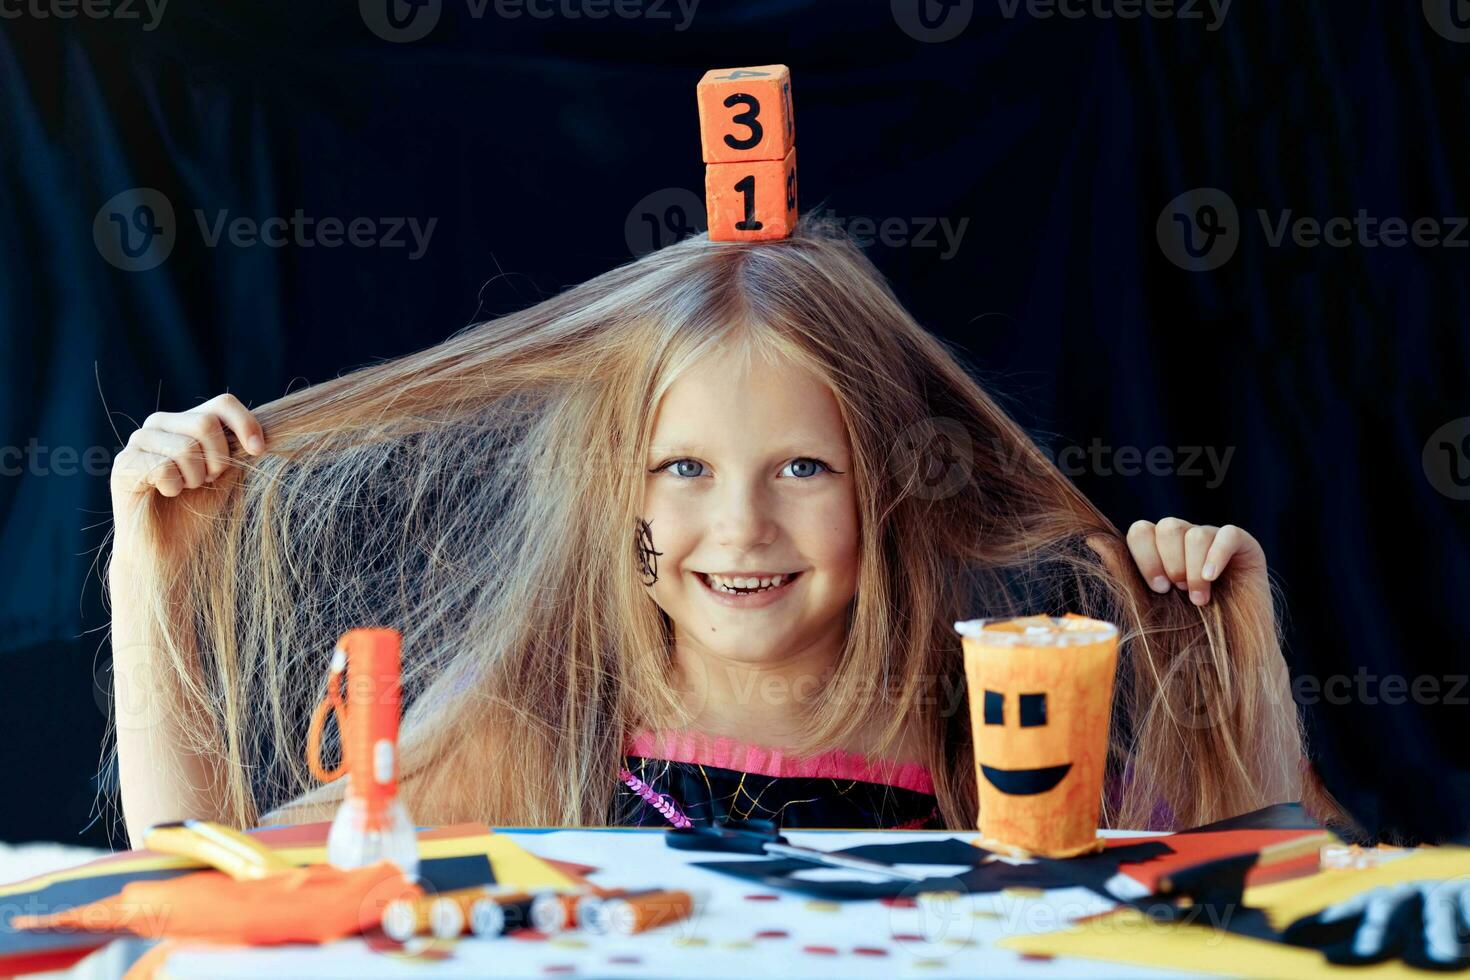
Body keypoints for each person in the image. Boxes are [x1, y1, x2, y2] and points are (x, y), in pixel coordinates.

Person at [107, 213, 1310, 848]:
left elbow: (1271, 912)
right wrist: (150, 576)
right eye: (683, 467)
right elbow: (206, 896)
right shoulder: (530, 718)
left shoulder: (994, 734)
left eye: (802, 465)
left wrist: (1233, 658)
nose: (739, 526)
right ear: (618, 489)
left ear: (888, 481)